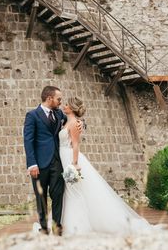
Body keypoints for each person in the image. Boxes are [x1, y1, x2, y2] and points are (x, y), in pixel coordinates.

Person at [59, 96, 153, 236]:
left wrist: (74, 164)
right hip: (63, 158)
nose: (63, 106)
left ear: (71, 108)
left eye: (66, 104)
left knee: (74, 191)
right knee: (69, 192)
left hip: (70, 160)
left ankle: (75, 226)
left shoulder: (74, 124)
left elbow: (76, 144)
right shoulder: (67, 121)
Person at [23, 86, 79, 235]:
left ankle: (57, 227)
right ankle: (44, 228)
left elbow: (73, 121)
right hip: (39, 165)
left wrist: (82, 123)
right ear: (49, 98)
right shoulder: (32, 115)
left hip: (57, 162)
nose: (60, 102)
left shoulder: (60, 114)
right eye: (58, 99)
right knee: (41, 197)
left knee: (58, 195)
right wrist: (32, 164)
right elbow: (28, 141)